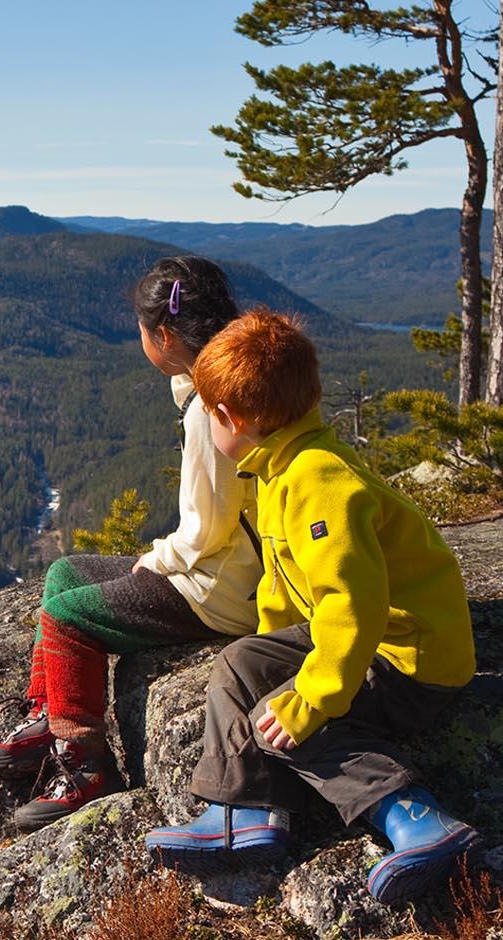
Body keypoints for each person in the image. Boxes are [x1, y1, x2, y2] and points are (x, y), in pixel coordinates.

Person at [143, 310, 480, 905]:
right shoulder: (279, 466)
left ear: (229, 419)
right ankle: (245, 811)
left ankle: (416, 819)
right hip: (368, 636)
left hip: (410, 657)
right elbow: (283, 581)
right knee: (242, 665)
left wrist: (312, 698)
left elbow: (354, 604)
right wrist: (277, 650)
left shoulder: (319, 482)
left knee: (286, 723)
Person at [0, 256, 261, 830]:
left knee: (65, 614)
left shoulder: (210, 408)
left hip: (222, 591)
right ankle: (50, 710)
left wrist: (151, 563)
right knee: (66, 573)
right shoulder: (235, 379)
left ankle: (83, 763)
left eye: (141, 329)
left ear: (166, 335)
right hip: (231, 571)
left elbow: (206, 532)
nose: (139, 339)